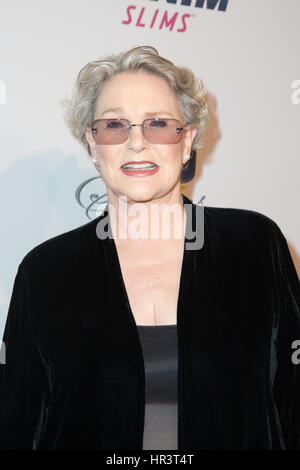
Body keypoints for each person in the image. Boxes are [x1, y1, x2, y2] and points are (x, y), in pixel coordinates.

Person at [0, 45, 299, 450]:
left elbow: (293, 402)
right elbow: (18, 424)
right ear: (91, 142)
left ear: (188, 137)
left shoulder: (254, 246)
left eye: (157, 123)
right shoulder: (45, 271)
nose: (136, 142)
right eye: (114, 125)